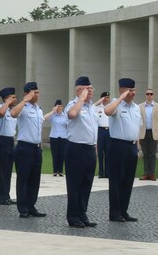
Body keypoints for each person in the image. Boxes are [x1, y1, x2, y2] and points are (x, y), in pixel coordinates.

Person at [64, 76, 99, 229]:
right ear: (79, 90)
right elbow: (72, 114)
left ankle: (82, 214)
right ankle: (73, 217)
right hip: (76, 149)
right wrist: (81, 100)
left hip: (90, 149)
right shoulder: (73, 104)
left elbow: (93, 130)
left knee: (86, 184)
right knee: (75, 185)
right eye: (88, 89)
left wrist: (95, 149)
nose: (91, 91)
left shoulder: (92, 107)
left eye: (92, 88)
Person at [105, 78, 141, 222]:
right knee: (116, 180)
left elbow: (136, 128)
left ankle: (123, 210)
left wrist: (137, 148)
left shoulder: (136, 108)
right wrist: (120, 98)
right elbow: (107, 111)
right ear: (122, 90)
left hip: (132, 146)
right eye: (129, 90)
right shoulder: (116, 105)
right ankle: (114, 213)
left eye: (133, 90)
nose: (132, 93)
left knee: (128, 180)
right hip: (118, 146)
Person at [11, 81, 46, 218]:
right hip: (24, 148)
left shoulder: (38, 109)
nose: (36, 95)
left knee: (34, 180)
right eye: (33, 93)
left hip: (37, 148)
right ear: (26, 93)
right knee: (23, 179)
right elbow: (13, 113)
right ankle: (23, 208)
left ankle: (31, 206)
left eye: (37, 92)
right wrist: (24, 100)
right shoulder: (22, 107)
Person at [0, 87, 18, 205]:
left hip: (10, 141)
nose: (15, 99)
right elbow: (1, 113)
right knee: (1, 171)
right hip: (2, 141)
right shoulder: (0, 108)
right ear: (6, 99)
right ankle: (1, 197)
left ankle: (6, 195)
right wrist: (7, 103)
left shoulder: (13, 111)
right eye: (12, 97)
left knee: (8, 171)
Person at [138, 89, 158, 180]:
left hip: (154, 132)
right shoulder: (139, 107)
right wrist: (137, 135)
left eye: (151, 94)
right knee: (145, 154)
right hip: (143, 132)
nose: (149, 95)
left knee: (152, 154)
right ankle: (146, 174)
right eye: (147, 94)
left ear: (153, 95)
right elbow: (137, 121)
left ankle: (152, 174)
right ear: (145, 95)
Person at [46, 100, 68, 177]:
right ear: (55, 107)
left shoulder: (65, 116)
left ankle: (61, 171)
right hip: (54, 137)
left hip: (63, 137)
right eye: (58, 106)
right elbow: (45, 118)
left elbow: (68, 125)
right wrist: (53, 111)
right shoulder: (52, 115)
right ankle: (55, 171)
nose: (60, 108)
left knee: (62, 154)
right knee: (55, 154)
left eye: (61, 106)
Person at [94, 92, 111, 178]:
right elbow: (92, 108)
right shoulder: (97, 108)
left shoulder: (111, 107)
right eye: (105, 97)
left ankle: (107, 172)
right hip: (100, 131)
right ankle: (101, 172)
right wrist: (98, 102)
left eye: (108, 97)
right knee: (100, 153)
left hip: (109, 131)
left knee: (108, 152)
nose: (107, 99)